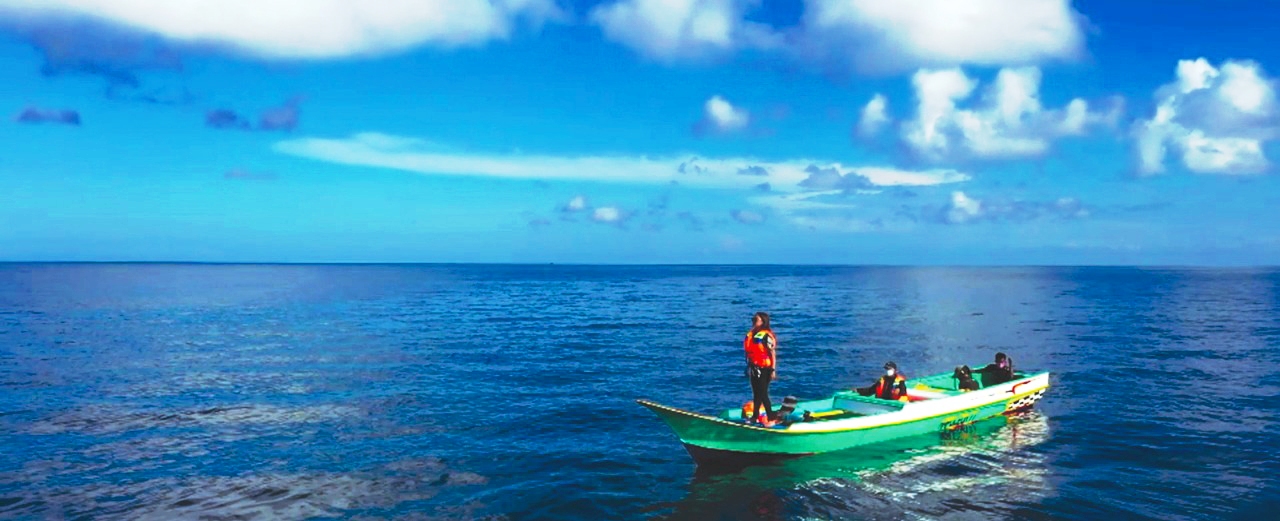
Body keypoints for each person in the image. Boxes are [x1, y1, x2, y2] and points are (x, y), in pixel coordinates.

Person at [743, 311, 777, 424]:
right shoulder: (751, 335)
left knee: (762, 393)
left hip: (765, 368)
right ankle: (755, 416)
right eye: (752, 319)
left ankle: (770, 416)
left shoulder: (766, 336)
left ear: (763, 321)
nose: (753, 321)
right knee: (756, 393)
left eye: (756, 320)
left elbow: (772, 353)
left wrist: (773, 370)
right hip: (754, 367)